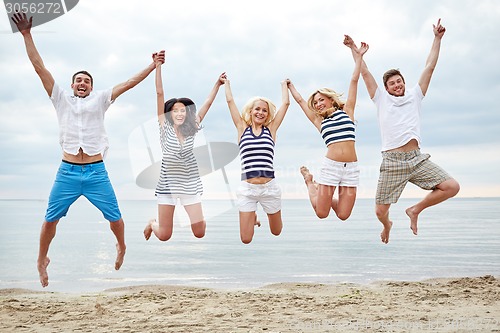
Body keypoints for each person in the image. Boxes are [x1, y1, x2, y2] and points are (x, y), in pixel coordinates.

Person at [11, 11, 164, 287]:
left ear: (92, 87)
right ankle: (41, 260)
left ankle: (121, 246)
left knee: (116, 219)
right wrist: (27, 34)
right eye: (78, 80)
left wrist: (152, 66)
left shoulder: (101, 99)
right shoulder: (60, 98)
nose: (82, 83)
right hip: (67, 172)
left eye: (87, 81)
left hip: (96, 172)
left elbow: (128, 83)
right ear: (72, 85)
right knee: (49, 221)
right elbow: (39, 67)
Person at [344, 19, 460, 244]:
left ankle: (415, 210)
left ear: (404, 83)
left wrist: (436, 39)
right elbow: (365, 75)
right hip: (392, 161)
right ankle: (387, 225)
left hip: (417, 160)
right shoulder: (381, 100)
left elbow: (429, 67)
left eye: (399, 81)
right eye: (392, 84)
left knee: (451, 186)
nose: (397, 85)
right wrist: (355, 52)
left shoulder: (415, 95)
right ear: (386, 88)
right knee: (379, 211)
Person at [143, 53, 226, 242]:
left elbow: (208, 103)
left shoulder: (192, 128)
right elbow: (159, 93)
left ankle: (199, 218)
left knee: (199, 233)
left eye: (182, 110)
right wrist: (158, 66)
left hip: (189, 185)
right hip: (167, 187)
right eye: (175, 110)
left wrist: (217, 84)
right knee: (164, 235)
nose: (179, 113)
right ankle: (151, 223)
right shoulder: (164, 127)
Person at [286, 39, 369, 221]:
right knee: (321, 213)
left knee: (343, 215)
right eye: (315, 103)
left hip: (351, 168)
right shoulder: (319, 120)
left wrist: (358, 56)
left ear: (330, 99)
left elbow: (354, 80)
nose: (318, 104)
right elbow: (301, 101)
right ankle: (310, 182)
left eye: (321, 100)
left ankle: (321, 190)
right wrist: (291, 87)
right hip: (331, 167)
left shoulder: (347, 111)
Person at [223, 75, 290, 244]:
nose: (260, 112)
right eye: (257, 109)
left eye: (264, 110)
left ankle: (254, 214)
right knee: (246, 239)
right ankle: (252, 215)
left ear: (268, 114)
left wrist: (284, 85)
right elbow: (230, 102)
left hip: (270, 189)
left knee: (277, 231)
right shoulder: (242, 128)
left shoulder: (271, 129)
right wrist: (226, 83)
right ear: (251, 111)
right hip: (248, 190)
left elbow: (286, 104)